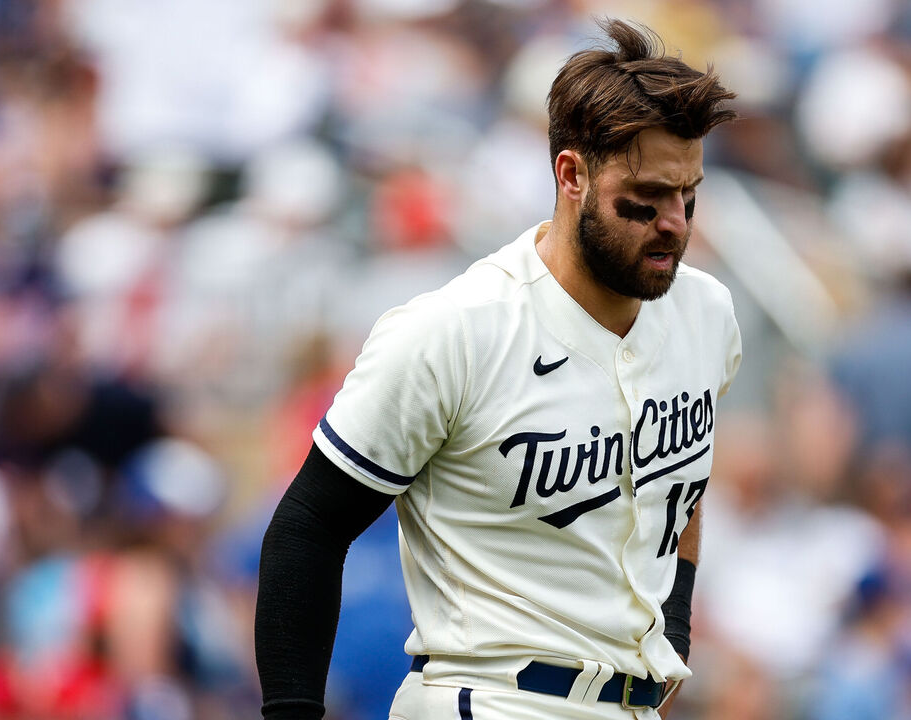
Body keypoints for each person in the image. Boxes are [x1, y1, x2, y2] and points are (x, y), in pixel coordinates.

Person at [254, 19, 741, 720]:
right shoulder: (455, 329)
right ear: (571, 174)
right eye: (647, 194)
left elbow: (681, 488)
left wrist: (678, 626)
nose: (673, 221)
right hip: (490, 697)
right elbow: (308, 524)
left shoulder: (706, 312)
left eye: (687, 193)